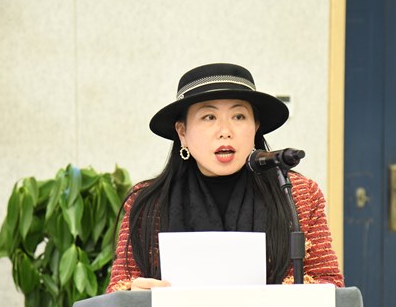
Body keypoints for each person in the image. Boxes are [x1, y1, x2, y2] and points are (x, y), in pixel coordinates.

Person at [106, 63, 344, 292]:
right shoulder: (148, 203)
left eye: (238, 116)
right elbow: (119, 290)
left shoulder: (297, 193)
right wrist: (133, 294)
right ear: (182, 132)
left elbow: (330, 284)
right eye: (209, 117)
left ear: (255, 127)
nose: (225, 131)